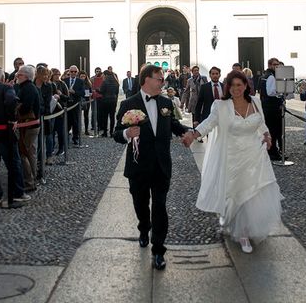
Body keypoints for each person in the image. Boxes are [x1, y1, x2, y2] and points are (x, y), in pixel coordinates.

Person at [184, 70, 283, 254]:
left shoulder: (256, 101)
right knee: (236, 192)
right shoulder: (221, 106)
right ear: (227, 87)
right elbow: (209, 123)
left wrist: (267, 136)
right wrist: (193, 134)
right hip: (232, 156)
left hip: (255, 155)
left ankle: (246, 229)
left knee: (253, 193)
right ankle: (239, 230)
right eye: (232, 85)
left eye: (240, 85)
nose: (236, 89)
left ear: (246, 85)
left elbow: (261, 123)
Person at [113, 64, 191, 271]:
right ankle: (143, 227)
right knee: (140, 203)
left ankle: (158, 250)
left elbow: (173, 123)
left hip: (161, 165)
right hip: (138, 165)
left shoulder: (166, 102)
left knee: (160, 206)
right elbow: (116, 132)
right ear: (147, 79)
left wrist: (185, 133)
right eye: (159, 78)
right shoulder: (129, 103)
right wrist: (126, 134)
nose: (162, 82)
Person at [0, 68, 30, 208]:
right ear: (2, 78)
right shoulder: (6, 88)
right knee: (13, 163)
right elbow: (10, 102)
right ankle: (18, 193)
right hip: (4, 133)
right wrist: (12, 119)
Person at [15, 65, 40, 192]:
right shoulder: (27, 87)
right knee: (30, 152)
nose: (17, 77)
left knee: (23, 152)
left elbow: (26, 108)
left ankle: (29, 181)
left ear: (26, 76)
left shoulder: (28, 88)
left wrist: (17, 106)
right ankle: (32, 179)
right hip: (30, 125)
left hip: (28, 125)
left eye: (19, 75)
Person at [258, 58, 282, 160]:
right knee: (274, 131)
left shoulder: (264, 76)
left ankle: (271, 151)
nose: (276, 67)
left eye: (277, 65)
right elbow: (271, 92)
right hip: (272, 107)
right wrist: (280, 93)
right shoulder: (271, 77)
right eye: (275, 65)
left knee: (270, 130)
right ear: (269, 65)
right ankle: (273, 152)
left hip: (266, 106)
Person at [64, 65, 85, 147]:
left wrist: (74, 92)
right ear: (69, 72)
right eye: (71, 71)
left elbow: (82, 93)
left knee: (76, 122)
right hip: (67, 105)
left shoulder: (80, 81)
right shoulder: (65, 80)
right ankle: (66, 138)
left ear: (77, 72)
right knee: (67, 122)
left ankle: (75, 138)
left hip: (76, 105)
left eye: (75, 72)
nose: (73, 73)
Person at [99, 69, 120, 137]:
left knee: (105, 117)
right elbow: (117, 92)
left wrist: (96, 90)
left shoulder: (104, 82)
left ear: (105, 75)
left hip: (105, 101)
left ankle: (105, 132)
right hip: (113, 101)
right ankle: (111, 132)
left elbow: (102, 91)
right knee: (112, 117)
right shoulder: (116, 82)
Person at [79, 71, 93, 135]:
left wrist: (90, 94)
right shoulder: (77, 83)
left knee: (86, 115)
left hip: (87, 100)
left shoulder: (88, 83)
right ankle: (78, 130)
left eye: (84, 76)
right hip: (79, 101)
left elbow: (90, 91)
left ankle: (86, 130)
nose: (83, 77)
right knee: (78, 116)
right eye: (81, 76)